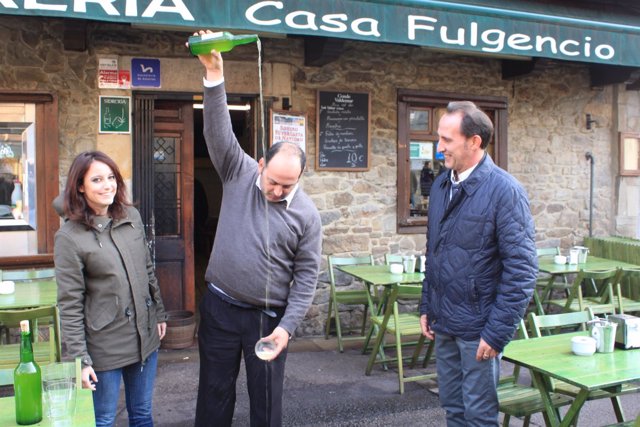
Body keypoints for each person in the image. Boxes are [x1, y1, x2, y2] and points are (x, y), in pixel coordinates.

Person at [191, 30, 322, 427]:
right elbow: (217, 132)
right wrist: (215, 75)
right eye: (273, 181)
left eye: (288, 184)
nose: (278, 190)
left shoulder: (306, 214)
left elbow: (306, 276)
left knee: (266, 406)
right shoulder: (238, 171)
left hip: (267, 318)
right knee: (214, 396)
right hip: (219, 308)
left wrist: (286, 328)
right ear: (261, 165)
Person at [419, 101, 537, 426]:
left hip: (478, 330)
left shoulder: (506, 191)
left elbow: (522, 271)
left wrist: (497, 333)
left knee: (480, 417)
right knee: (454, 411)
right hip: (444, 322)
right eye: (439, 138)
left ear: (475, 142)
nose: (439, 147)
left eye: (447, 140)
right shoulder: (443, 184)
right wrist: (427, 305)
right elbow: (435, 252)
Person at [54, 150, 168, 427]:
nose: (107, 185)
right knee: (103, 419)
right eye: (96, 179)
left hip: (144, 334)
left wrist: (160, 314)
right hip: (104, 345)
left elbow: (147, 269)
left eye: (111, 177)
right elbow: (70, 303)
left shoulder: (130, 216)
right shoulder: (69, 238)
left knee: (142, 414)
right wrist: (80, 359)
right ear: (80, 186)